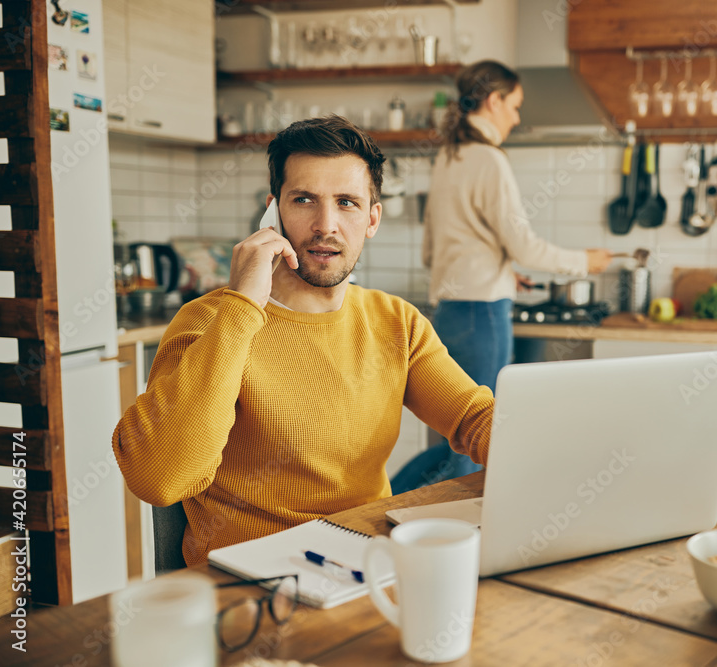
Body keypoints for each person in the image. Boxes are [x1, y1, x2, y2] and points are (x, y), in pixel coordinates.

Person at [112, 115, 494, 566]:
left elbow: (474, 419)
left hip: (364, 566)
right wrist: (242, 305)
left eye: (347, 202)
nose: (325, 224)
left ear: (373, 218)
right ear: (274, 212)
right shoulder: (210, 321)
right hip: (248, 587)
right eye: (305, 199)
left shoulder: (396, 322)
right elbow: (159, 479)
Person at [390, 60, 614, 493]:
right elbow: (525, 246)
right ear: (493, 101)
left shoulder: (449, 157)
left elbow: (432, 248)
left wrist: (500, 270)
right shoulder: (490, 160)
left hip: (451, 311)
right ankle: (386, 505)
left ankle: (396, 510)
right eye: (514, 106)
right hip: (483, 316)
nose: (517, 117)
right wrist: (585, 262)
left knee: (455, 433)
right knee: (473, 438)